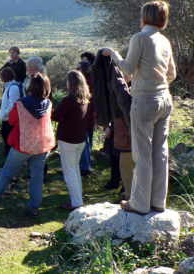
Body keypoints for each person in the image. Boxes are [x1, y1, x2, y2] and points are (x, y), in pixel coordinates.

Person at [102, 1, 176, 215]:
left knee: (142, 154)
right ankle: (158, 203)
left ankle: (140, 204)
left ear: (145, 17)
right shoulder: (165, 40)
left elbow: (127, 67)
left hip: (145, 101)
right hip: (165, 99)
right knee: (161, 153)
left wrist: (113, 53)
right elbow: (171, 75)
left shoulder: (139, 37)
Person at [0, 73, 56, 218]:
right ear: (47, 87)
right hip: (42, 145)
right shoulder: (48, 104)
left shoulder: (21, 104)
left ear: (31, 86)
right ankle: (33, 208)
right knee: (37, 177)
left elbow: (12, 121)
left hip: (22, 145)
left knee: (7, 173)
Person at [52, 70, 91, 211]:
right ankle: (77, 198)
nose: (66, 83)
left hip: (68, 140)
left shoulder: (69, 100)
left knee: (69, 173)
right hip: (80, 140)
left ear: (72, 83)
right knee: (74, 170)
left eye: (67, 81)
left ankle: (76, 203)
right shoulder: (85, 99)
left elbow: (55, 116)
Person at [77, 61, 96, 178]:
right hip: (90, 115)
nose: (77, 70)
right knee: (87, 142)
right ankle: (86, 165)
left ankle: (85, 167)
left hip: (86, 116)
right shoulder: (91, 80)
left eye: (78, 68)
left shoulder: (86, 82)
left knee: (85, 142)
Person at [0, 67, 21, 156]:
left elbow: (13, 105)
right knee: (4, 134)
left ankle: (11, 156)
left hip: (10, 118)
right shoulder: (9, 86)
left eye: (2, 77)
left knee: (10, 138)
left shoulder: (13, 87)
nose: (1, 80)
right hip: (7, 118)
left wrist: (4, 113)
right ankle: (8, 155)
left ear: (5, 77)